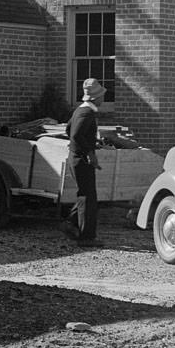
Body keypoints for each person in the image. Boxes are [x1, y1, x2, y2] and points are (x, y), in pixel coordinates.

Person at [62, 78, 106, 248]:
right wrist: (89, 152)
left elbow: (68, 129)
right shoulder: (87, 112)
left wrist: (87, 144)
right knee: (88, 197)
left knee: (84, 195)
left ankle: (70, 223)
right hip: (81, 159)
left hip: (75, 157)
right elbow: (75, 135)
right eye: (101, 95)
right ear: (96, 97)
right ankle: (86, 238)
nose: (103, 98)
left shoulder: (80, 109)